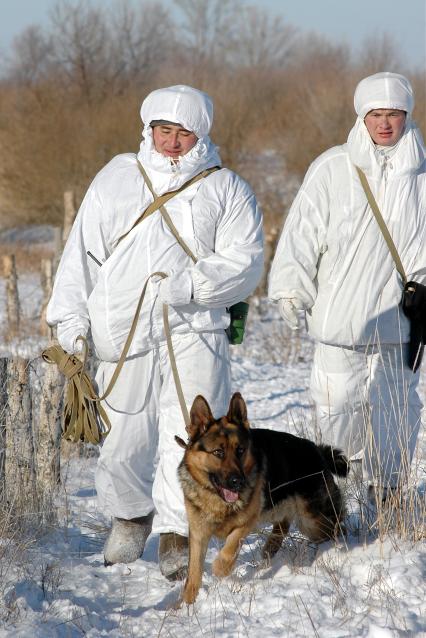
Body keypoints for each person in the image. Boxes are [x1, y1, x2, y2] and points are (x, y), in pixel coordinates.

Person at [46, 85, 263, 578]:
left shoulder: (226, 187)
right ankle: (129, 515)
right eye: (163, 130)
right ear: (149, 130)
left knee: (187, 433)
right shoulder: (117, 177)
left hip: (195, 326)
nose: (171, 141)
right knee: (123, 432)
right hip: (121, 326)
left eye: (182, 132)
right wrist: (71, 323)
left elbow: (245, 263)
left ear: (200, 134)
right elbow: (82, 255)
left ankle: (176, 529)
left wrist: (188, 285)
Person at [269, 72, 425, 502]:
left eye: (394, 113)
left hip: (403, 322)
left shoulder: (423, 172)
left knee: (397, 414)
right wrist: (290, 288)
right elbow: (303, 232)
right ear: (362, 115)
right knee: (336, 408)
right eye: (376, 113)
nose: (385, 123)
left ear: (407, 115)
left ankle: (387, 496)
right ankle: (336, 490)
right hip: (341, 321)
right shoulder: (334, 167)